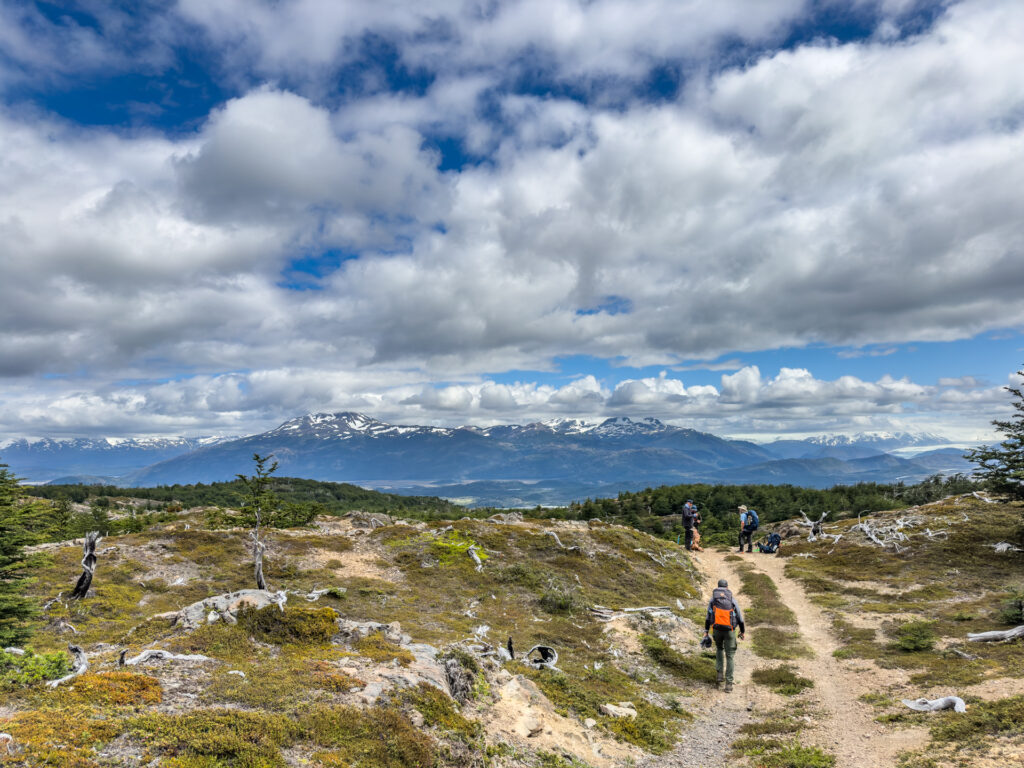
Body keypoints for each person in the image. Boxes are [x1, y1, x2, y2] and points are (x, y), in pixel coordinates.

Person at [703, 578, 745, 692]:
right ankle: (729, 684)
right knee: (730, 656)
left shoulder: (713, 600)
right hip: (730, 630)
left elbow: (708, 617)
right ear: (727, 587)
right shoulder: (732, 599)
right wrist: (742, 631)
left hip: (716, 629)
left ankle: (720, 674)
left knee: (719, 649)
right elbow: (740, 618)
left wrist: (706, 631)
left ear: (718, 586)